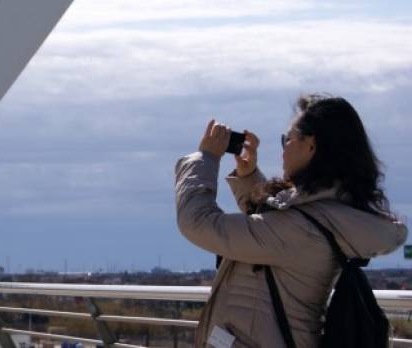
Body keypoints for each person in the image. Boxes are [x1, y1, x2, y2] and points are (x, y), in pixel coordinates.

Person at [174, 94, 407, 347]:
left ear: (311, 146)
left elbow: (198, 222)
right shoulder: (328, 216)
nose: (284, 147)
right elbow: (272, 225)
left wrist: (204, 158)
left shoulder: (301, 229)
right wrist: (249, 177)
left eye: (288, 138)